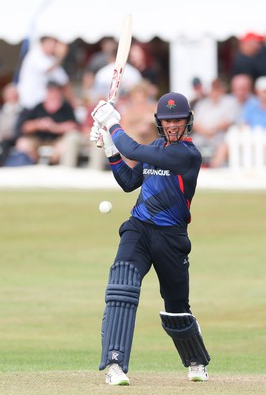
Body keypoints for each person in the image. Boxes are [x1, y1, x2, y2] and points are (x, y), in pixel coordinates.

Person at [90, 92, 211, 386]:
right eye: (167, 120)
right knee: (121, 285)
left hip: (171, 238)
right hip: (139, 229)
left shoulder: (188, 154)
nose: (172, 125)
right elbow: (129, 183)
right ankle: (115, 364)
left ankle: (195, 362)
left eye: (178, 120)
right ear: (160, 122)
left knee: (176, 308)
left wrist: (113, 125)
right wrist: (110, 148)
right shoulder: (157, 145)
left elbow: (134, 148)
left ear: (187, 121)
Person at [16, 36, 77, 132]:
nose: (54, 47)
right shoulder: (35, 53)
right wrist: (60, 56)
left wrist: (74, 102)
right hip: (29, 104)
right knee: (23, 131)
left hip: (45, 106)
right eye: (53, 44)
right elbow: (48, 69)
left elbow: (64, 81)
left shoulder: (51, 59)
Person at [14, 80, 82, 166]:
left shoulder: (66, 107)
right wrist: (38, 124)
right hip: (38, 140)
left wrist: (55, 127)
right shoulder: (38, 107)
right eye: (51, 91)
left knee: (66, 145)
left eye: (55, 91)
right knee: (22, 143)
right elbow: (25, 127)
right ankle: (36, 163)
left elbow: (74, 126)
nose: (53, 93)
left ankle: (52, 163)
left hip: (57, 140)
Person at [192, 77, 238, 167]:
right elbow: (194, 123)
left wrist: (213, 129)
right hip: (201, 136)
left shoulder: (230, 102)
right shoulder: (202, 103)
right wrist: (206, 131)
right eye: (213, 88)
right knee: (187, 145)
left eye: (218, 88)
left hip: (220, 137)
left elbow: (229, 121)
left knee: (224, 146)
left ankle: (213, 170)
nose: (215, 91)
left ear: (222, 89)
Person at [0, 83, 21, 165]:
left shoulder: (24, 111)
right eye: (10, 94)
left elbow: (20, 128)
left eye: (14, 93)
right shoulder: (2, 110)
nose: (12, 96)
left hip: (14, 138)